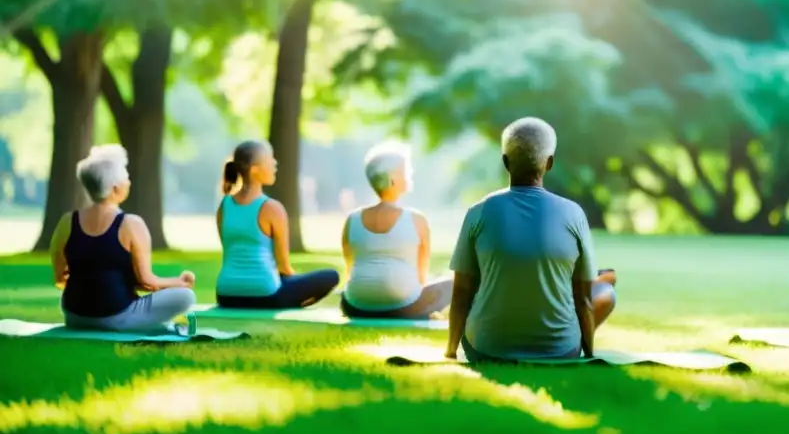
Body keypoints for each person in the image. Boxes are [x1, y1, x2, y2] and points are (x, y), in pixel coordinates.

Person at [446, 117, 617, 362]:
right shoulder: (574, 213)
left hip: (485, 348)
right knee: (607, 291)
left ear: (505, 162)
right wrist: (588, 355)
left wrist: (451, 352)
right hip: (559, 350)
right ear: (550, 163)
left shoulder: (478, 212)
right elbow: (583, 299)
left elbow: (461, 292)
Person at [50, 144, 196, 333]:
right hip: (116, 317)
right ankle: (152, 325)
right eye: (126, 177)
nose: (129, 181)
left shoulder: (67, 222)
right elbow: (147, 281)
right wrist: (180, 282)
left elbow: (59, 278)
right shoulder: (131, 224)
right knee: (186, 297)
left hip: (74, 316)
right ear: (115, 188)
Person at [216, 140, 340, 308]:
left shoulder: (224, 206)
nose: (275, 163)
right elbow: (284, 267)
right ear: (254, 170)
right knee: (331, 276)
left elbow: (230, 251)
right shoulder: (272, 208)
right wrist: (294, 281)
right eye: (270, 159)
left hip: (226, 295)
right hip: (265, 295)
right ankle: (291, 303)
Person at [341, 141, 452, 319]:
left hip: (355, 306)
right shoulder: (417, 219)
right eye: (405, 170)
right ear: (392, 179)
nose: (411, 173)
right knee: (456, 282)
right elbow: (421, 277)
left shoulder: (351, 219)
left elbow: (350, 268)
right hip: (403, 307)